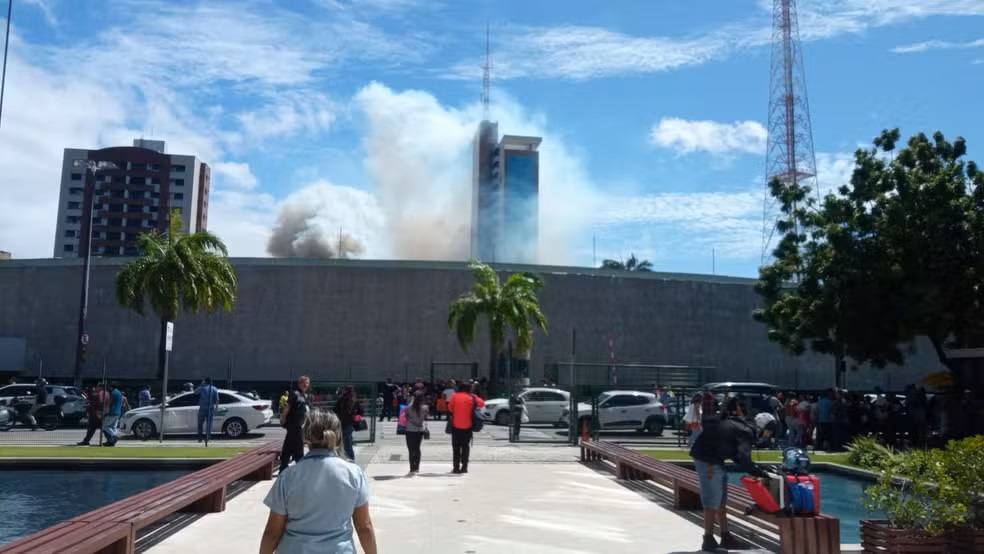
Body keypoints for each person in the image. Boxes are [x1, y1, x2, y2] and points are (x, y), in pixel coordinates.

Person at [259, 409, 377, 554]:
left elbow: (272, 531)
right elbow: (364, 527)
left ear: (306, 436)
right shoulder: (354, 474)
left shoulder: (288, 476)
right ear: (338, 436)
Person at [689, 394, 764, 552]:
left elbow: (735, 455)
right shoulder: (746, 432)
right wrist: (757, 472)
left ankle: (725, 537)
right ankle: (708, 540)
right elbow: (743, 458)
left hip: (715, 460)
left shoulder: (737, 424)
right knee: (711, 503)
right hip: (708, 462)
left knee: (721, 503)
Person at [447, 381, 484, 474]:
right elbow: (482, 404)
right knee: (465, 447)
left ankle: (456, 468)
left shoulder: (454, 396)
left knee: (456, 448)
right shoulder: (472, 397)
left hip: (456, 426)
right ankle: (464, 467)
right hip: (468, 426)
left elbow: (450, 408)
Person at [279, 376, 312, 472]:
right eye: (303, 382)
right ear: (299, 383)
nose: (305, 385)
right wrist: (283, 418)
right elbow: (287, 407)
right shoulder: (295, 394)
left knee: (289, 445)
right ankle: (298, 466)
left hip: (300, 425)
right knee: (298, 445)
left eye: (307, 383)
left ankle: (284, 466)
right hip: (294, 424)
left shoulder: (304, 395)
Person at [404, 389, 429, 475]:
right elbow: (426, 416)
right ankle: (417, 467)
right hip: (419, 430)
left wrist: (411, 400)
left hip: (410, 430)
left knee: (411, 449)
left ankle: (412, 467)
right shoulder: (425, 408)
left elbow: (405, 415)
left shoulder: (408, 407)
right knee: (417, 448)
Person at [332, 387, 360, 460]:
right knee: (348, 441)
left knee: (345, 442)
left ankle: (348, 458)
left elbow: (335, 409)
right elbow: (361, 411)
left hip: (342, 423)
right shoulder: (354, 399)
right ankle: (350, 458)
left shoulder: (343, 399)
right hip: (349, 423)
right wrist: (355, 416)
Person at [102, 382, 129, 447]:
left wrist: (105, 411)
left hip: (112, 412)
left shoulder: (113, 393)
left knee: (105, 426)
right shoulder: (120, 393)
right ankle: (111, 441)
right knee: (113, 427)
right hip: (118, 412)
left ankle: (115, 436)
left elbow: (109, 402)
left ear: (112, 387)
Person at [197, 378, 219, 443]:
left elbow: (195, 392)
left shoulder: (202, 388)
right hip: (210, 409)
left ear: (205, 382)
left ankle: (200, 438)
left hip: (202, 409)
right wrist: (217, 408)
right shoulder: (214, 389)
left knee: (200, 424)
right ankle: (208, 438)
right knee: (209, 424)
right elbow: (217, 399)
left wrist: (201, 385)